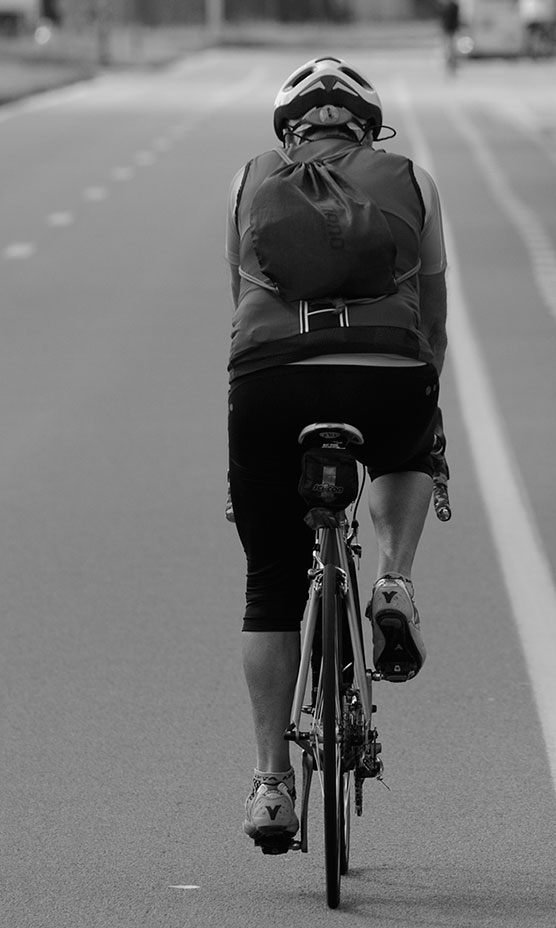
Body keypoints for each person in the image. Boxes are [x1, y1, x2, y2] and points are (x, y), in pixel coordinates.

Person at [226, 58, 448, 849]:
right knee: (407, 450)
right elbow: (434, 315)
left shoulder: (251, 179)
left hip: (271, 382)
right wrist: (425, 415)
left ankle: (272, 786)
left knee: (269, 582)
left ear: (290, 130)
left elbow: (240, 306)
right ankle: (392, 582)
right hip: (388, 372)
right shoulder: (413, 180)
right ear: (368, 125)